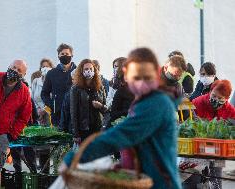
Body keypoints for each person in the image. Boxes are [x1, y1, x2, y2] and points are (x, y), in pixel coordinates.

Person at [61, 47, 182, 189]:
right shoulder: (143, 101)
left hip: (159, 183)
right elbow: (143, 143)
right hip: (144, 180)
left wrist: (75, 158)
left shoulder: (156, 103)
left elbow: (123, 135)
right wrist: (125, 166)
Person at [70, 59, 107, 143]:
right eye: (86, 69)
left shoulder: (100, 87)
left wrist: (100, 106)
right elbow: (73, 112)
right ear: (81, 71)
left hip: (98, 127)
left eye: (91, 69)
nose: (89, 71)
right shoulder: (75, 88)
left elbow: (106, 108)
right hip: (83, 128)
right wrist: (76, 134)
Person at [41, 43, 76, 125]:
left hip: (74, 113)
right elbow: (44, 93)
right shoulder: (52, 73)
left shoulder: (77, 72)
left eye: (67, 54)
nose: (65, 56)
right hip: (57, 114)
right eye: (62, 54)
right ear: (58, 56)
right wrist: (52, 105)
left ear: (71, 55)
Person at [10, 80, 38, 173]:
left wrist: (33, 127)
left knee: (29, 153)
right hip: (14, 131)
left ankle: (33, 171)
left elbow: (35, 115)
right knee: (16, 153)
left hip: (28, 131)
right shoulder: (12, 100)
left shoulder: (30, 100)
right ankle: (18, 174)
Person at [107, 57, 134, 128]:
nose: (114, 69)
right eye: (114, 67)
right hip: (115, 122)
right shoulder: (113, 84)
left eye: (116, 66)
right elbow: (109, 102)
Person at [31, 58, 54, 125]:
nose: (45, 68)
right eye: (43, 67)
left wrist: (44, 110)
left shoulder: (54, 82)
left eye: (47, 66)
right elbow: (32, 98)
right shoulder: (36, 81)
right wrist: (38, 110)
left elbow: (54, 99)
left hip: (50, 115)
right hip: (38, 116)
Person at [58, 69, 76, 133]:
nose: (74, 81)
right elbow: (65, 112)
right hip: (72, 129)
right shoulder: (69, 93)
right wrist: (61, 129)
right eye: (73, 79)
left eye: (76, 78)